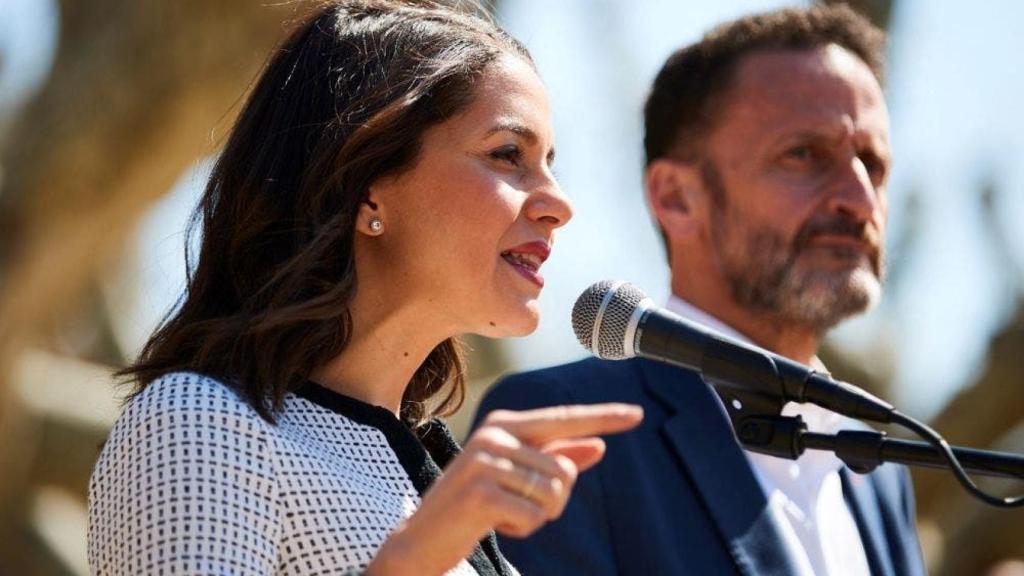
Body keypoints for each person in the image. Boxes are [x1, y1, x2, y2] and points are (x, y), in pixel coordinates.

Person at [86, 2, 643, 575]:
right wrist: (411, 559)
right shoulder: (198, 423)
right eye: (508, 154)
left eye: (550, 162)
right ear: (366, 187)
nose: (560, 203)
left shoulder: (430, 467)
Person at [475, 5, 925, 576]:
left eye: (873, 163)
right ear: (676, 198)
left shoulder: (881, 474)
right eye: (805, 156)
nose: (859, 201)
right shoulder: (560, 428)